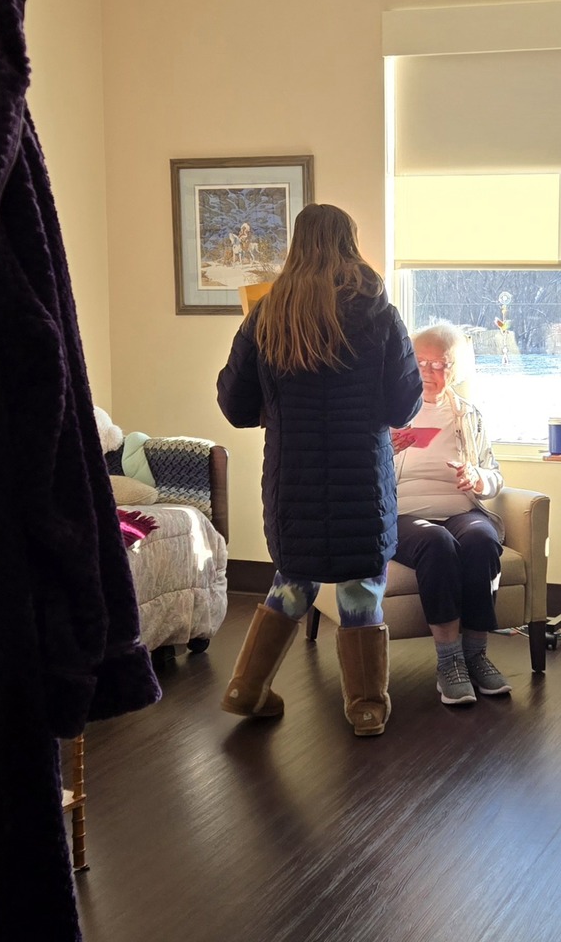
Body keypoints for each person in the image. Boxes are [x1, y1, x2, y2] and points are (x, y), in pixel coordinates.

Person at [217, 203, 422, 736]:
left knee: (293, 580)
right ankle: (366, 707)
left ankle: (245, 688)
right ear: (349, 243)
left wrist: (277, 404)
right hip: (362, 481)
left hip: (292, 480)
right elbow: (404, 405)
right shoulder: (379, 313)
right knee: (361, 587)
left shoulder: (267, 315)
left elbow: (235, 406)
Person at [392, 322, 510, 705]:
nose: (428, 371)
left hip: (460, 509)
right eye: (420, 362)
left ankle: (476, 655)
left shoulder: (468, 416)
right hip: (404, 515)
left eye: (439, 364)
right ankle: (449, 662)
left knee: (481, 539)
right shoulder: (390, 411)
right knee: (436, 541)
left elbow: (495, 476)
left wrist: (477, 478)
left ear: (454, 368)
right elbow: (357, 474)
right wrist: (383, 451)